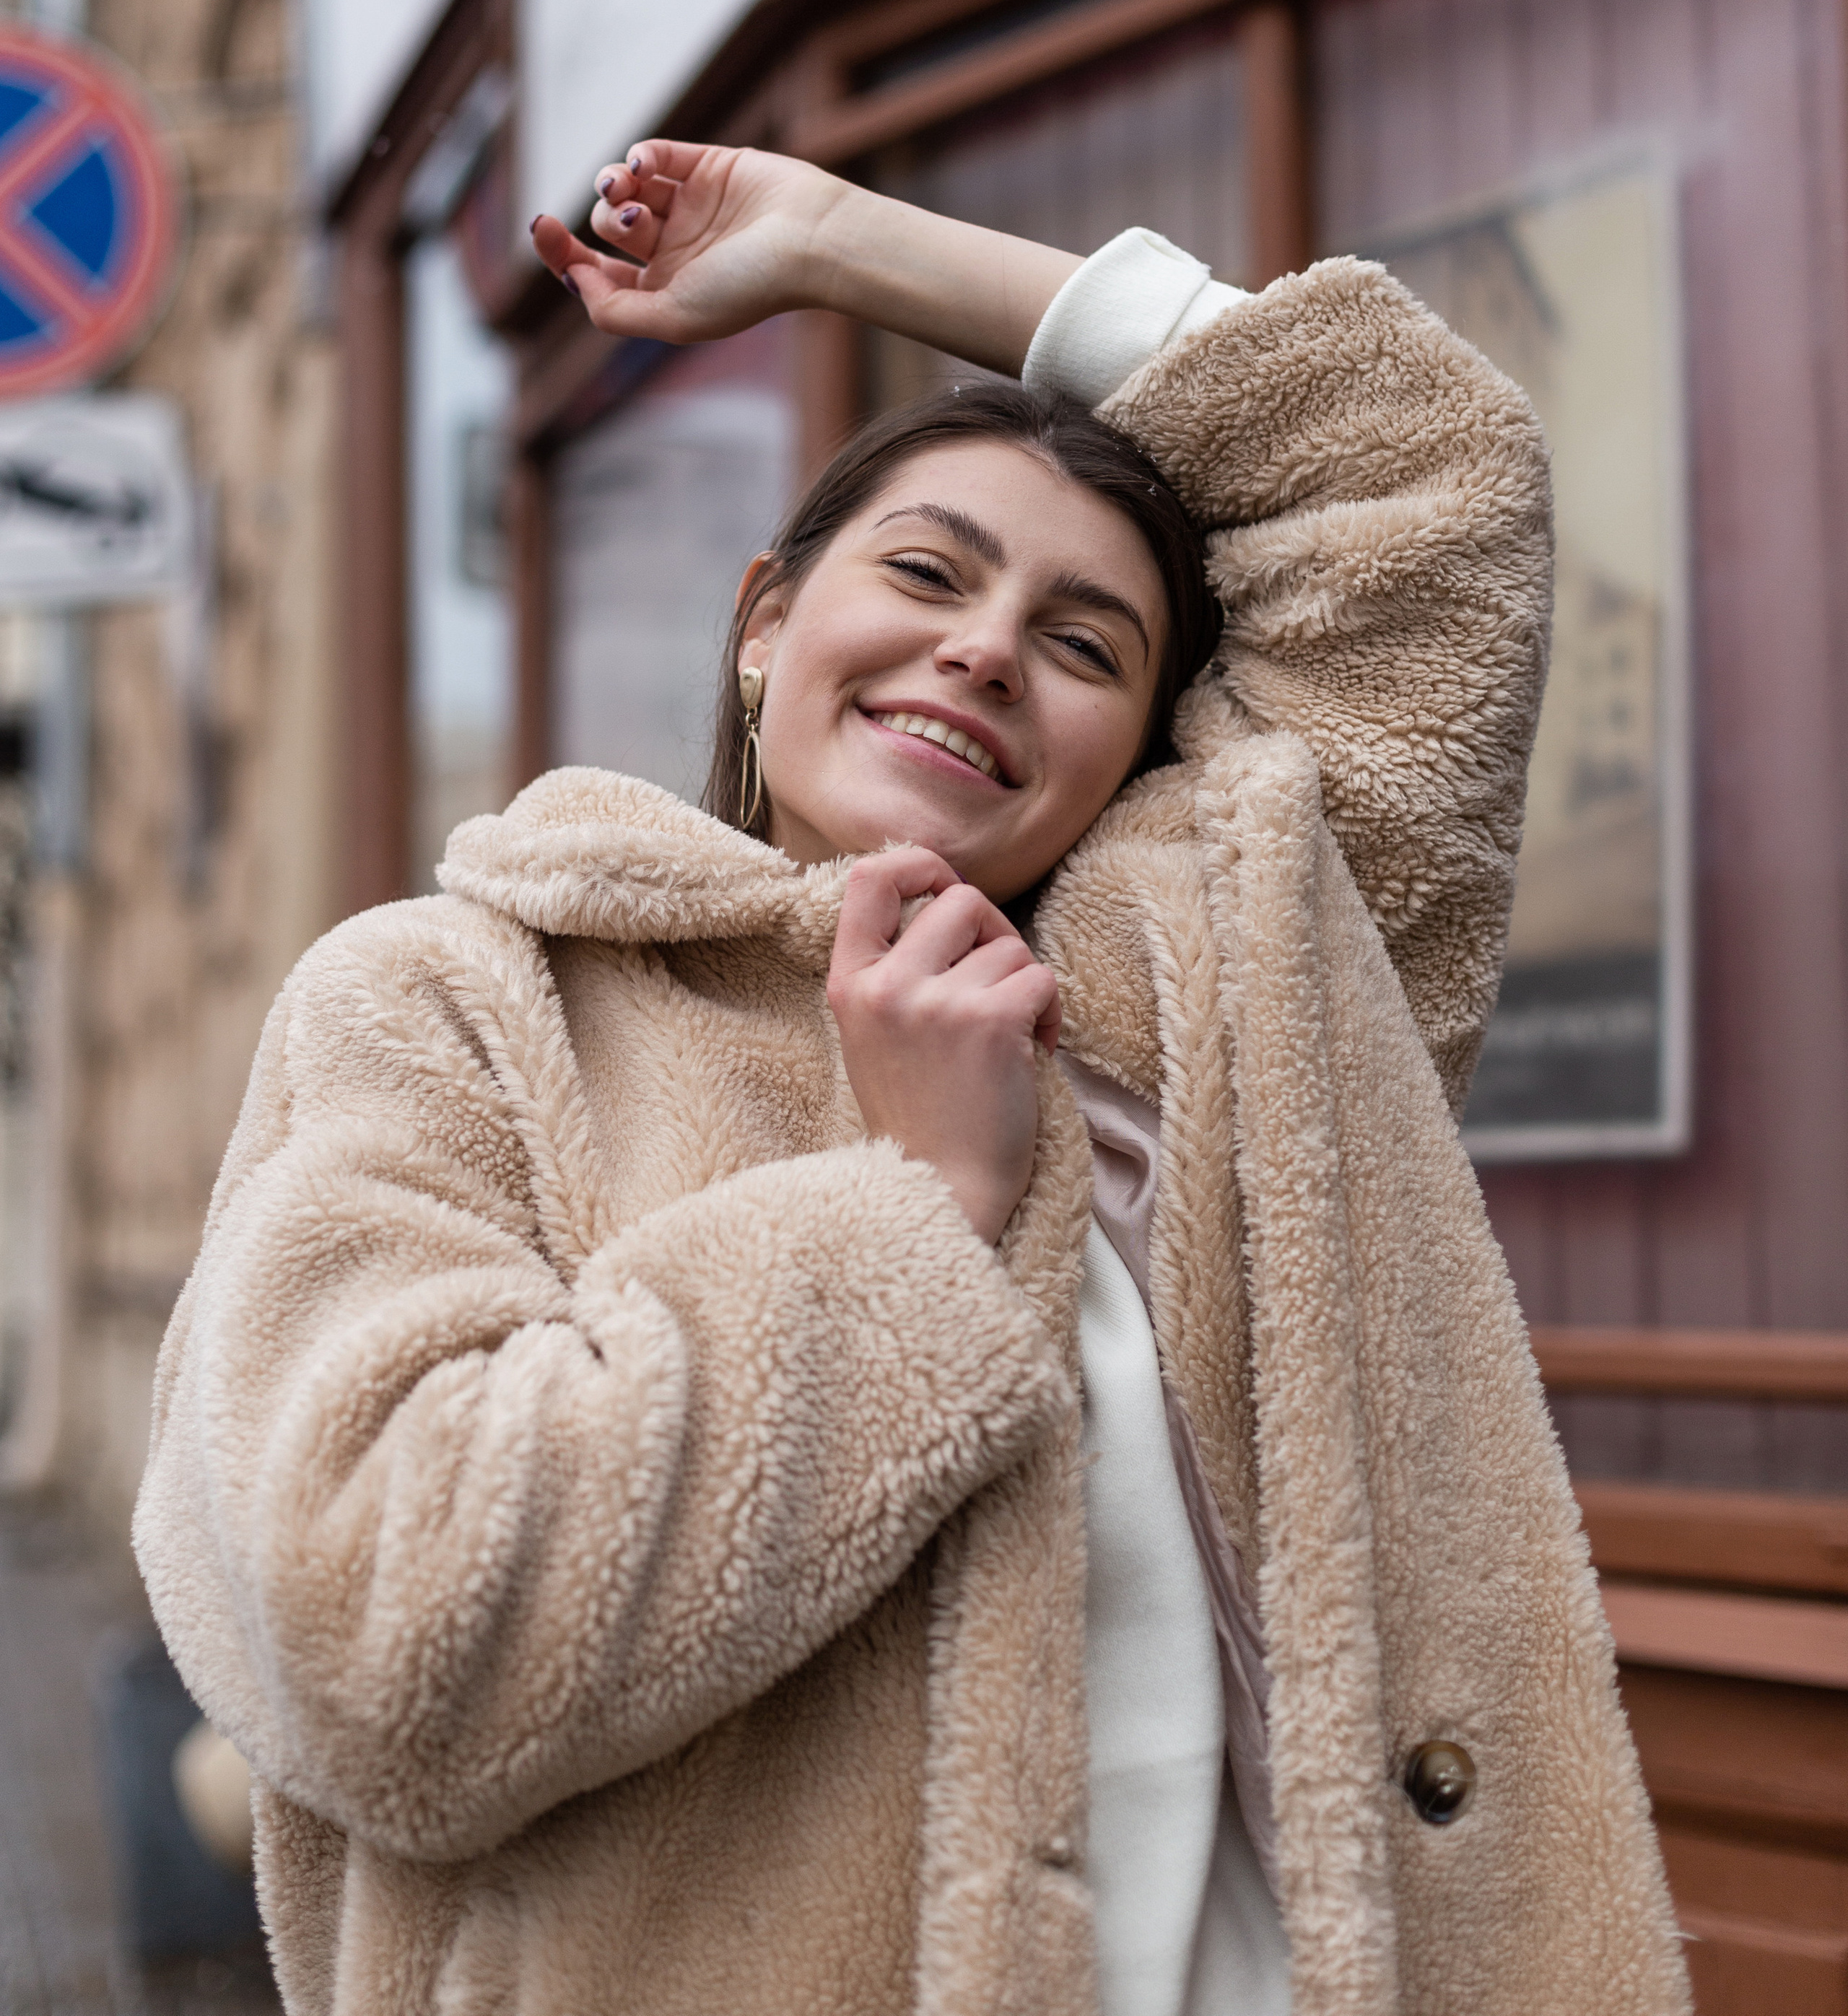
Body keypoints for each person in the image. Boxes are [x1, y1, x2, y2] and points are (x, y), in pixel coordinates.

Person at [134, 142, 1691, 2016]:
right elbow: (371, 1631)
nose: (985, 647)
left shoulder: (1211, 1006)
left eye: (1085, 641)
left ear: (1136, 750)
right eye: (929, 570)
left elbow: (1420, 478)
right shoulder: (459, 1002)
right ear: (766, 619)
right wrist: (914, 1213)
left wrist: (839, 247)